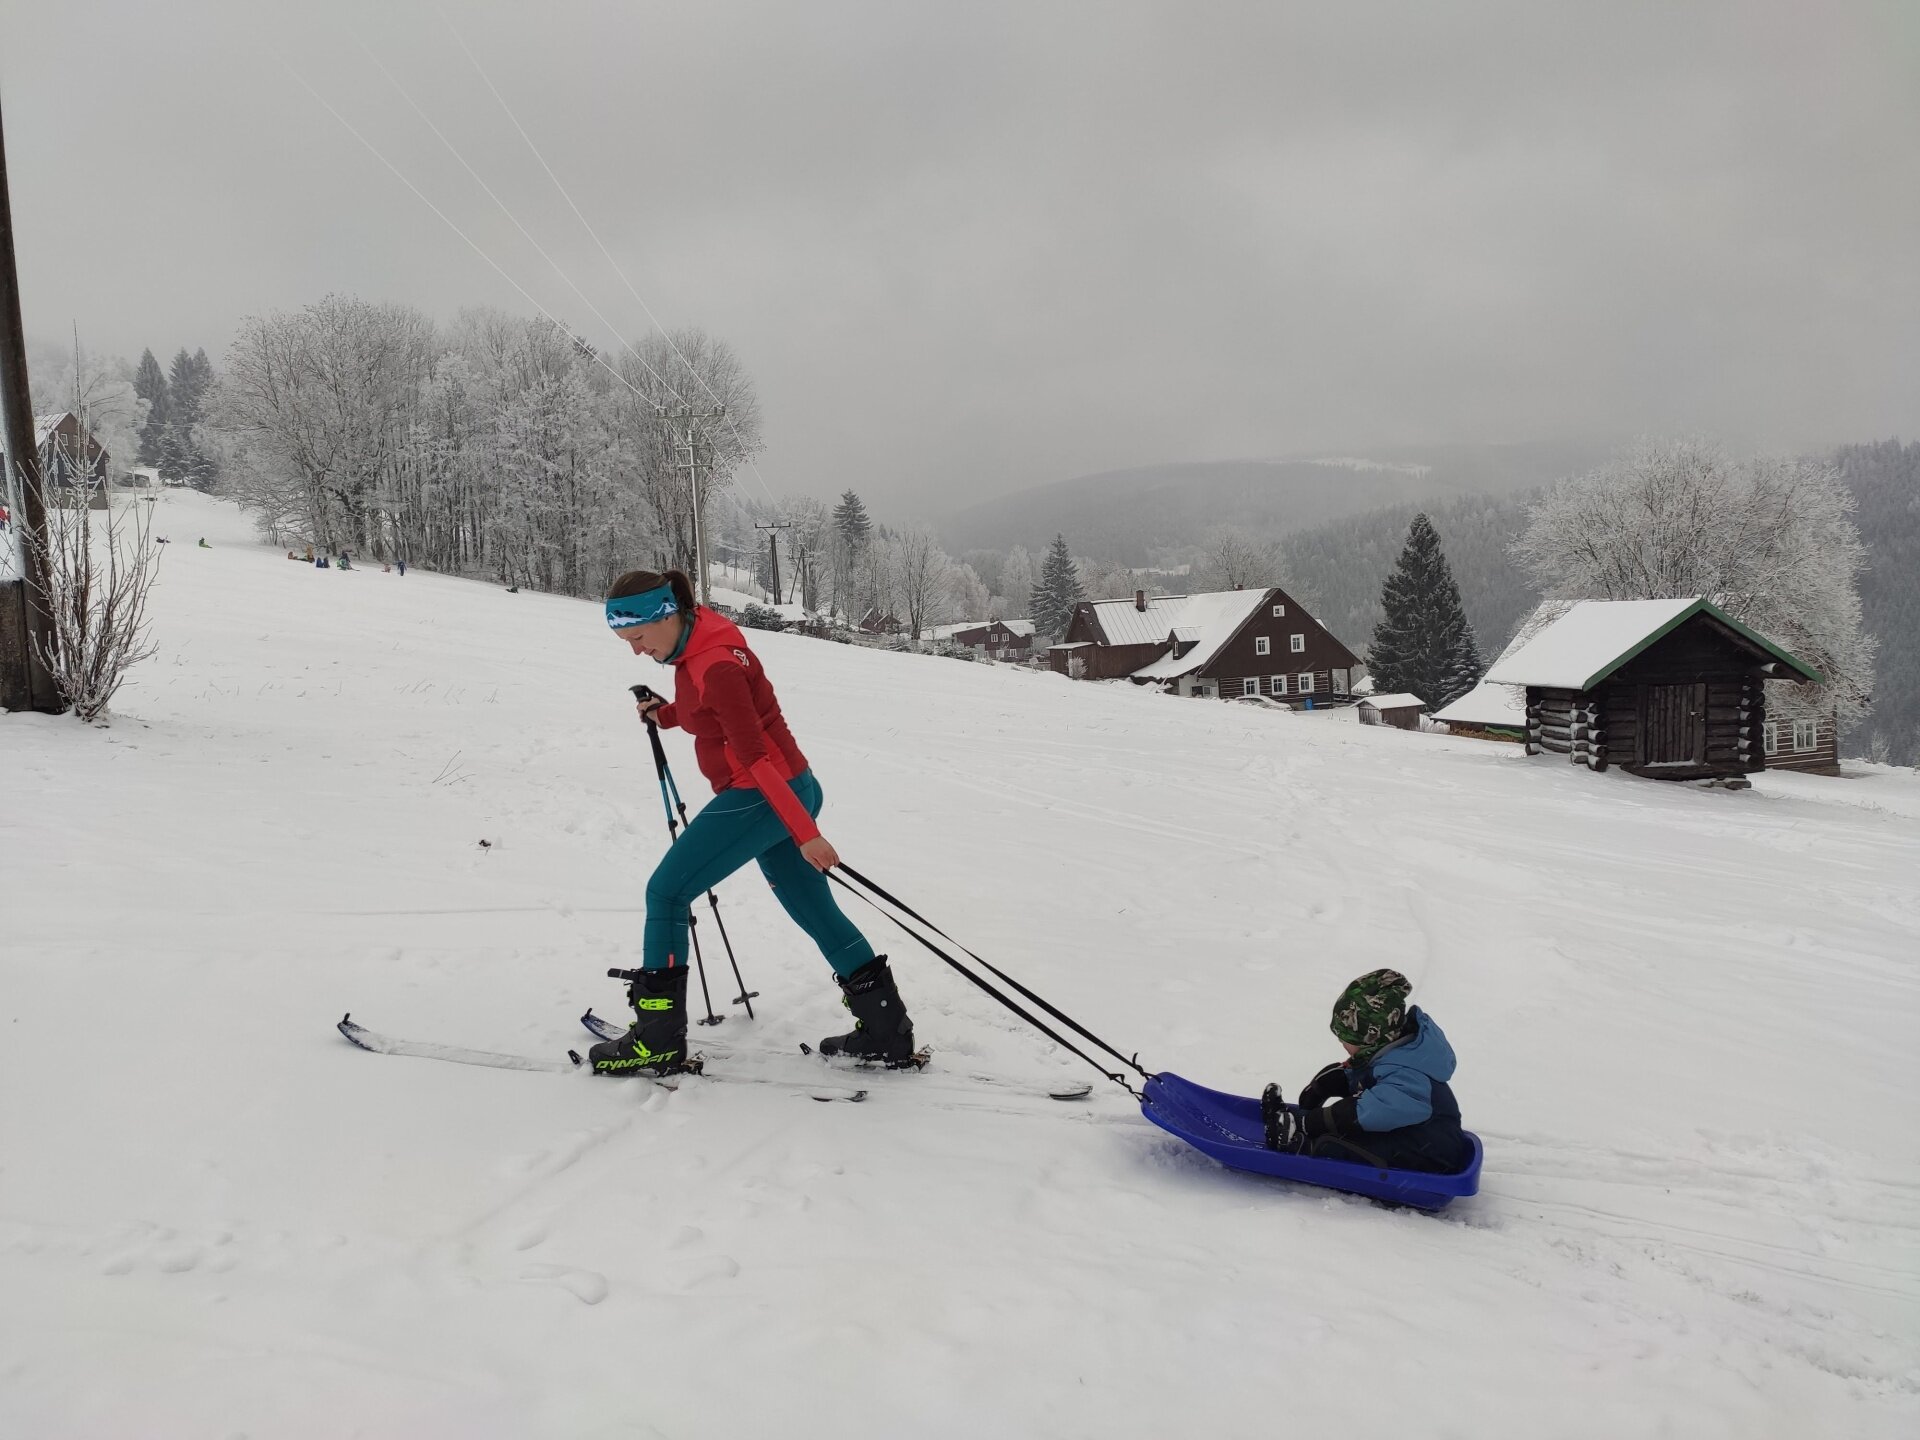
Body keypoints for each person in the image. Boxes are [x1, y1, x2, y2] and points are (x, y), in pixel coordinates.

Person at [586, 568, 915, 1078]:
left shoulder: (714, 663)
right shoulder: (698, 639)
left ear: (667, 615)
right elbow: (708, 710)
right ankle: (886, 1034)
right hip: (787, 788)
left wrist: (806, 834)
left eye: (638, 637)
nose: (635, 650)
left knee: (667, 894)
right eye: (625, 642)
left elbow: (754, 754)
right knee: (814, 909)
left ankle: (657, 1041)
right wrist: (666, 714)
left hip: (762, 793)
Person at [1262, 969, 1472, 1174]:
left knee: (1341, 1143)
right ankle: (1286, 1120)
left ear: (1372, 1039)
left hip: (1430, 1155)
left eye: (1348, 1039)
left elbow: (1368, 1112)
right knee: (1345, 1126)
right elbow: (1372, 1079)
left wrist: (1310, 1122)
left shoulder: (1407, 1073)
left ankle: (1303, 1146)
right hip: (1408, 1135)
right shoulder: (1396, 1054)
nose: (1342, 1043)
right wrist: (1334, 1081)